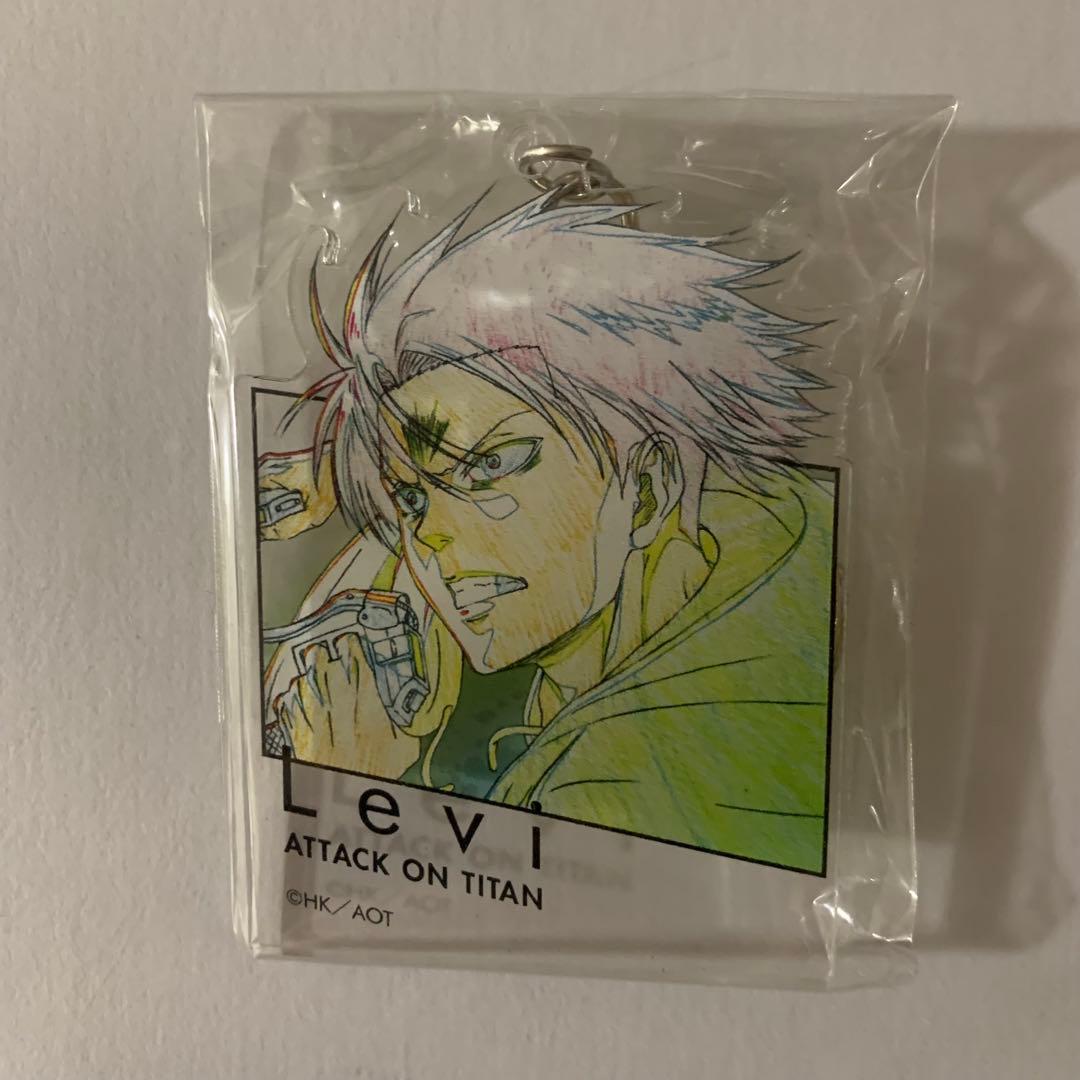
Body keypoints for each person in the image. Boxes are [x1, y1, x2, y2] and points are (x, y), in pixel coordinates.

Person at [265, 191, 835, 872]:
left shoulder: (620, 785)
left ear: (648, 488)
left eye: (488, 469)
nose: (430, 542)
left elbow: (425, 914)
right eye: (412, 501)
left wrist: (347, 782)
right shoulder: (769, 525)